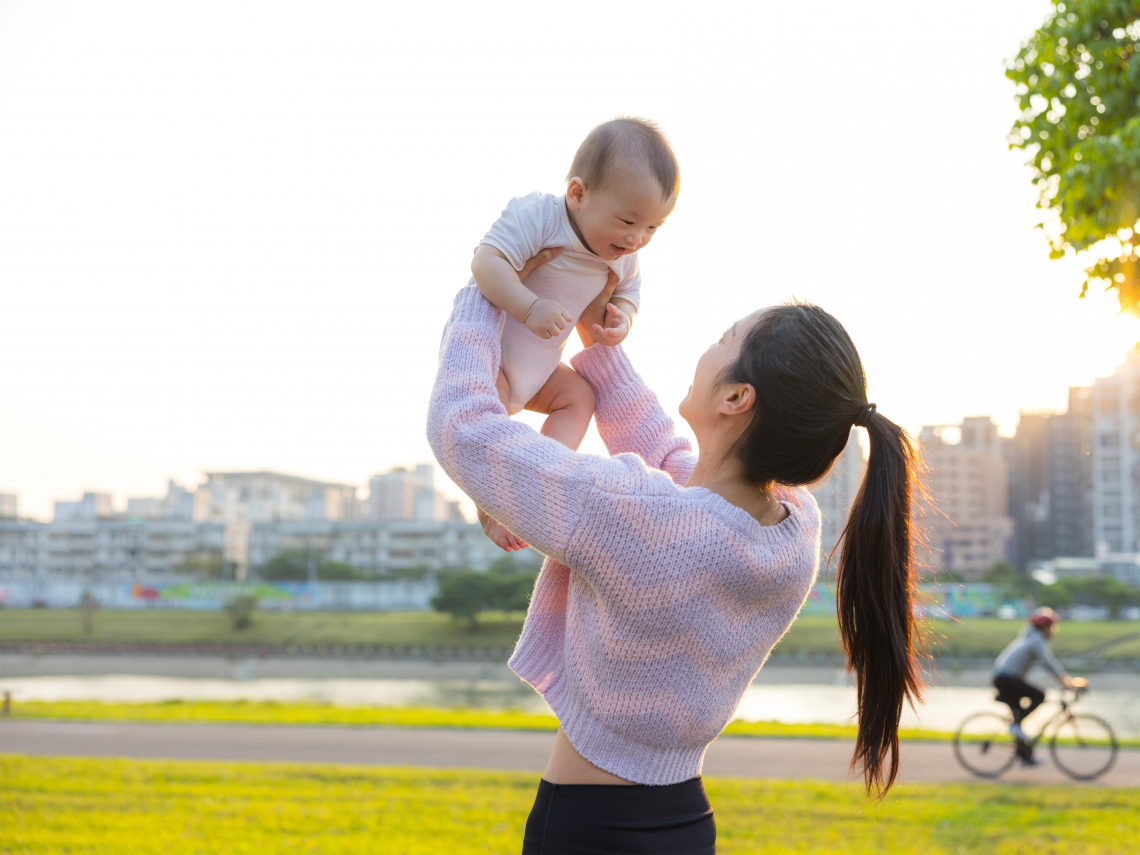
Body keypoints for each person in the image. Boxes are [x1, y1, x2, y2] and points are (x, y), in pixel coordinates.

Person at [427, 255, 925, 853]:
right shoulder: (793, 532)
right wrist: (598, 338)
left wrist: (489, 286)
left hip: (587, 831)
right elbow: (672, 465)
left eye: (724, 340)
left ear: (737, 396)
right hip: (684, 822)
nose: (709, 348)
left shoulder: (639, 514)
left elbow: (462, 426)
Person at [469, 117, 678, 551]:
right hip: (493, 355)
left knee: (579, 396)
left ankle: (540, 481)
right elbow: (485, 262)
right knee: (489, 424)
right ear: (578, 194)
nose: (637, 238)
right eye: (628, 220)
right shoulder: (539, 217)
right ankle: (491, 509)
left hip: (543, 370)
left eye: (653, 227)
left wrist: (622, 319)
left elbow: (628, 294)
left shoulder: (624, 254)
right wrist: (529, 307)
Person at [992, 607, 1085, 764]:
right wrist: (1067, 682)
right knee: (1039, 695)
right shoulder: (1036, 641)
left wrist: (1064, 681)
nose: (1053, 631)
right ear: (1044, 628)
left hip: (1006, 679)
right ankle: (1015, 727)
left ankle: (1025, 756)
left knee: (1018, 718)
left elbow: (1049, 665)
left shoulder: (1030, 637)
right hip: (1006, 680)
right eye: (1051, 627)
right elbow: (1049, 664)